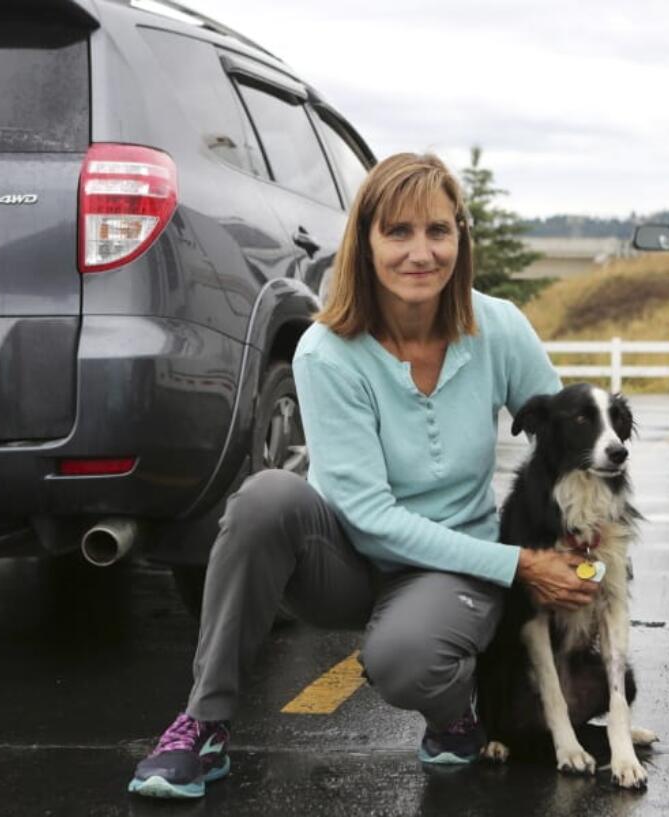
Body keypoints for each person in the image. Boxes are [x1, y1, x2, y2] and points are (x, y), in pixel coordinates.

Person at [128, 153, 600, 799]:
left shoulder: (499, 328)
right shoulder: (327, 350)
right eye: (398, 232)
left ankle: (452, 716)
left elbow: (566, 438)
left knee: (404, 661)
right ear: (366, 242)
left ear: (461, 237)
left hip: (450, 567)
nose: (420, 252)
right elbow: (369, 517)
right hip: (345, 557)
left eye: (437, 230)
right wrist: (518, 561)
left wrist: (583, 541)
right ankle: (203, 724)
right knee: (265, 496)